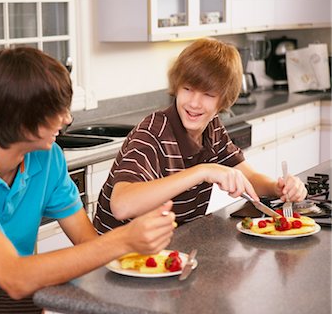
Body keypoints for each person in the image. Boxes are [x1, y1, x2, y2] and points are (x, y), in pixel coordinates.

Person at [0, 47, 177, 314]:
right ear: (22, 118)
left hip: (12, 290)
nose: (67, 119)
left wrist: (140, 263)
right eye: (57, 110)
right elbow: (14, 277)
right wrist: (124, 239)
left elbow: (86, 241)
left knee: (96, 302)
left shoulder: (48, 159)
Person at [93, 37, 307, 234]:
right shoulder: (152, 132)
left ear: (223, 101)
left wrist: (279, 188)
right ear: (176, 87)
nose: (194, 103)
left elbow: (247, 177)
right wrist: (202, 171)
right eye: (187, 89)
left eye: (208, 94)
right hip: (116, 262)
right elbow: (121, 206)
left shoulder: (211, 127)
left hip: (167, 249)